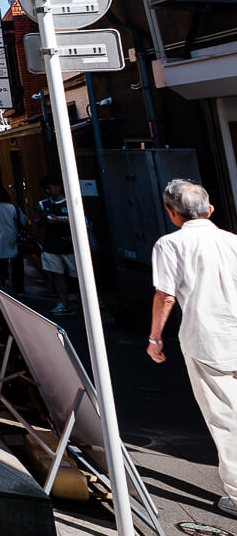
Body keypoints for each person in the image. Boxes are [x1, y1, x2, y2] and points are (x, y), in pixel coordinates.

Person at [147, 179, 237, 519]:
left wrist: (155, 338)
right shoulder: (232, 241)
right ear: (210, 210)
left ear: (171, 213)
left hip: (207, 338)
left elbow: (166, 295)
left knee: (225, 417)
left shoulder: (169, 244)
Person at [39, 178, 77, 314]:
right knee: (57, 275)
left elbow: (82, 221)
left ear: (59, 187)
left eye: (50, 188)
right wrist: (43, 219)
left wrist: (59, 220)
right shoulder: (44, 204)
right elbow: (39, 223)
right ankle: (64, 303)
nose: (47, 191)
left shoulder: (71, 202)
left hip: (71, 245)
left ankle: (89, 302)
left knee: (77, 275)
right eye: (46, 188)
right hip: (51, 245)